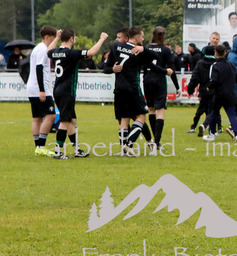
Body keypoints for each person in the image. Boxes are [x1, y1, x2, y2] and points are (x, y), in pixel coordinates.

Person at [48, 29, 108, 159]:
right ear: (71, 39)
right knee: (64, 121)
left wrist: (57, 38)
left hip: (57, 89)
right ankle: (58, 151)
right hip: (67, 91)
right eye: (74, 38)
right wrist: (102, 39)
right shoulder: (71, 53)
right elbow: (91, 52)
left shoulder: (56, 52)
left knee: (72, 120)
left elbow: (48, 50)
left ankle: (77, 150)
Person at [103, 27, 161, 157]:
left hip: (119, 89)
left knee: (124, 120)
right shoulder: (137, 51)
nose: (143, 39)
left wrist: (111, 69)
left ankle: (132, 147)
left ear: (126, 38)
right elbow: (156, 58)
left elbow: (105, 68)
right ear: (136, 38)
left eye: (119, 37)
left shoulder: (115, 47)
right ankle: (128, 145)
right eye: (142, 37)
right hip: (133, 89)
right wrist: (144, 49)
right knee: (141, 117)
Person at [26, 25, 60, 157]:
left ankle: (37, 147)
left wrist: (57, 38)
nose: (53, 41)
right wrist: (42, 90)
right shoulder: (42, 49)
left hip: (32, 87)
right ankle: (41, 146)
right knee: (51, 115)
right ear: (47, 37)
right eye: (53, 38)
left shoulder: (37, 48)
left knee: (37, 118)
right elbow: (39, 68)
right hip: (40, 88)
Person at [144, 26, 179, 155]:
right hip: (159, 81)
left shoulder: (146, 49)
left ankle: (154, 141)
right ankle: (157, 142)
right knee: (160, 112)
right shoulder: (165, 50)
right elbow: (171, 69)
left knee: (151, 110)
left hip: (147, 81)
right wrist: (177, 87)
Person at [203, 44, 237, 142]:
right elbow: (236, 78)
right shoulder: (231, 65)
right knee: (232, 115)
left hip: (219, 94)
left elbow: (214, 80)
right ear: (225, 53)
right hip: (231, 93)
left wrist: (209, 87)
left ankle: (212, 134)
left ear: (215, 53)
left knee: (214, 113)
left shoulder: (215, 66)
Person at [187, 45, 217, 136]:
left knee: (201, 109)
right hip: (214, 89)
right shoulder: (216, 63)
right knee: (212, 110)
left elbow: (194, 78)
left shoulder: (200, 63)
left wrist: (190, 90)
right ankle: (206, 126)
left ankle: (193, 127)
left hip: (203, 89)